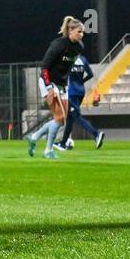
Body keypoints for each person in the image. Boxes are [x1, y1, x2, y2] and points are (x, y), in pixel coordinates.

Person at [27, 18, 86, 160]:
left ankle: (34, 137)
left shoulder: (79, 47)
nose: (82, 34)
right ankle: (48, 150)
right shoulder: (58, 45)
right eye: (79, 31)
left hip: (63, 84)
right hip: (48, 81)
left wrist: (65, 82)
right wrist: (49, 87)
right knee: (59, 118)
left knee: (62, 120)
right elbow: (45, 67)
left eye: (83, 32)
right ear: (71, 31)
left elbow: (67, 67)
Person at [57, 53, 104, 150]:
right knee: (70, 118)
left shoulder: (67, 59)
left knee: (76, 116)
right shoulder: (83, 59)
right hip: (81, 91)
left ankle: (96, 134)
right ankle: (63, 143)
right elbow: (90, 74)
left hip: (72, 92)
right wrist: (82, 81)